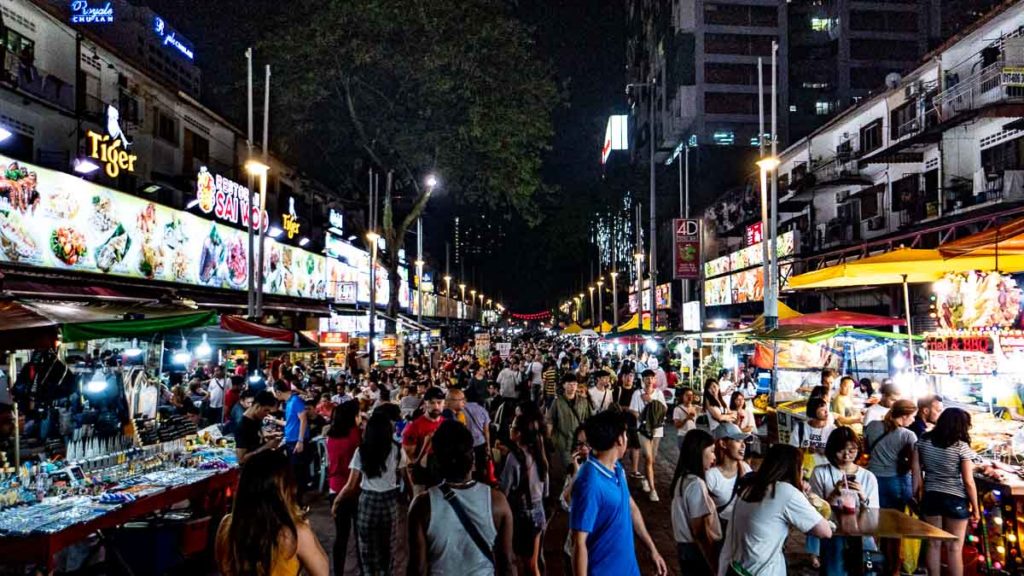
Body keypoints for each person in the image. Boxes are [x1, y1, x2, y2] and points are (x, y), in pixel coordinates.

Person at [408, 420, 515, 576]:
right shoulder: (497, 502)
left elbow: (418, 568)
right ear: (472, 458)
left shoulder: (422, 506)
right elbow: (506, 562)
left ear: (437, 461)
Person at [570, 410, 667, 576]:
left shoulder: (617, 468)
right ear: (620, 440)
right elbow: (578, 543)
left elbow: (631, 507)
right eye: (625, 434)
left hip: (628, 568)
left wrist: (652, 549)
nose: (627, 439)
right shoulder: (589, 482)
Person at [718, 443, 832, 576]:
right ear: (793, 470)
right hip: (764, 571)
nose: (803, 474)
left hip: (738, 568)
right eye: (802, 469)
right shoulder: (785, 492)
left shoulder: (749, 488)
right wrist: (802, 498)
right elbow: (825, 531)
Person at [215, 450, 329, 576]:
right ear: (285, 489)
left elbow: (224, 569)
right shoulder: (296, 533)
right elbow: (322, 571)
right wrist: (307, 528)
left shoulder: (227, 525)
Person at [913, 407, 990, 576]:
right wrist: (976, 509)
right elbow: (969, 482)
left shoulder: (922, 442)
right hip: (955, 499)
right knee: (954, 548)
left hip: (931, 496)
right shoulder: (961, 447)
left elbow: (916, 473)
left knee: (933, 544)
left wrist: (917, 495)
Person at [335, 404, 406, 576]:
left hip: (367, 501)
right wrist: (409, 498)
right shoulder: (396, 449)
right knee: (388, 547)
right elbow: (405, 477)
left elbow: (351, 485)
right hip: (390, 503)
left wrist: (337, 501)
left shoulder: (362, 451)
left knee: (367, 547)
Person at [809, 427, 880, 574]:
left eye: (852, 450)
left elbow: (874, 513)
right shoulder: (820, 472)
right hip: (832, 534)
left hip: (861, 535)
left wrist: (862, 496)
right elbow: (814, 510)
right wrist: (834, 494)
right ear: (832, 450)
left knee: (863, 571)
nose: (847, 455)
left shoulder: (868, 477)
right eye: (841, 450)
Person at [864, 398, 917, 575]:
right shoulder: (907, 435)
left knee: (874, 524)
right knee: (894, 530)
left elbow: (866, 449)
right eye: (912, 416)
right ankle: (892, 568)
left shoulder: (871, 426)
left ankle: (872, 563)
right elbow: (911, 463)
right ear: (903, 416)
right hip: (895, 483)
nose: (914, 421)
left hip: (872, 481)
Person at [500, 413, 549, 575]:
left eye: (512, 427)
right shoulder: (540, 454)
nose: (510, 430)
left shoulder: (513, 458)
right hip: (539, 512)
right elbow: (546, 490)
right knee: (533, 565)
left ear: (518, 433)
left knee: (520, 562)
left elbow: (504, 491)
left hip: (523, 515)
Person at [669, 429, 720, 576]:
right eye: (711, 451)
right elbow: (699, 531)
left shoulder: (682, 479)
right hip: (696, 551)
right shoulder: (696, 484)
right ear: (699, 452)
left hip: (685, 549)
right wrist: (713, 561)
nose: (714, 457)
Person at [326, 400, 361, 576]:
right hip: (354, 488)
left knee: (341, 536)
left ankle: (338, 572)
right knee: (360, 535)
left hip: (335, 487)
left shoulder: (331, 435)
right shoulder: (356, 434)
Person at [705, 423, 752, 534]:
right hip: (720, 532)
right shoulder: (711, 476)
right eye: (737, 440)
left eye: (743, 441)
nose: (743, 445)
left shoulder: (745, 469)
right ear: (723, 443)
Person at [630, 369, 667, 501]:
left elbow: (664, 409)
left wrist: (650, 401)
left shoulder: (659, 394)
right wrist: (643, 419)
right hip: (643, 430)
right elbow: (633, 410)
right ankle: (653, 489)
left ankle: (646, 479)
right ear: (643, 380)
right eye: (647, 378)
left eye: (652, 378)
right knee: (649, 457)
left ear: (655, 380)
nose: (649, 380)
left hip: (657, 429)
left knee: (652, 458)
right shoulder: (637, 394)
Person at [403, 386, 447, 494]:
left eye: (439, 402)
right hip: (422, 476)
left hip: (442, 473)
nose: (436, 406)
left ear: (444, 404)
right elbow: (410, 457)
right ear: (425, 403)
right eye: (432, 403)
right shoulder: (414, 427)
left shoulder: (446, 424)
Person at [560, 425, 590, 575]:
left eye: (587, 443)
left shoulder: (604, 471)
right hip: (572, 547)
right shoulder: (575, 469)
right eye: (579, 444)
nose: (583, 448)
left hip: (593, 549)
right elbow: (566, 502)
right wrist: (576, 473)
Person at [446, 388, 492, 483]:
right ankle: (479, 483)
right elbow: (486, 430)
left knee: (467, 466)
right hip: (480, 442)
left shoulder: (461, 409)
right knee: (480, 466)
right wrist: (488, 446)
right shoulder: (482, 410)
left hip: (466, 445)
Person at [546, 373, 592, 467]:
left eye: (575, 384)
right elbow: (550, 421)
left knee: (580, 467)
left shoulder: (583, 402)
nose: (573, 387)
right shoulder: (557, 402)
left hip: (579, 442)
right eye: (570, 384)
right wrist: (548, 438)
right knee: (566, 468)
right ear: (564, 385)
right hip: (562, 441)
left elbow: (589, 420)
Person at [789, 396, 835, 473]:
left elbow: (838, 453)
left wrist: (826, 452)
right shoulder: (801, 427)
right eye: (822, 409)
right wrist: (805, 449)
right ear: (813, 411)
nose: (826, 412)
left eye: (827, 409)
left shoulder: (833, 430)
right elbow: (792, 450)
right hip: (804, 471)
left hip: (825, 471)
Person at [235, 390, 281, 465]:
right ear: (257, 406)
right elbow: (241, 459)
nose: (267, 414)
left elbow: (255, 437)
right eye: (266, 410)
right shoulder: (242, 426)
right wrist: (267, 446)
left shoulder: (257, 418)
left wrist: (268, 436)